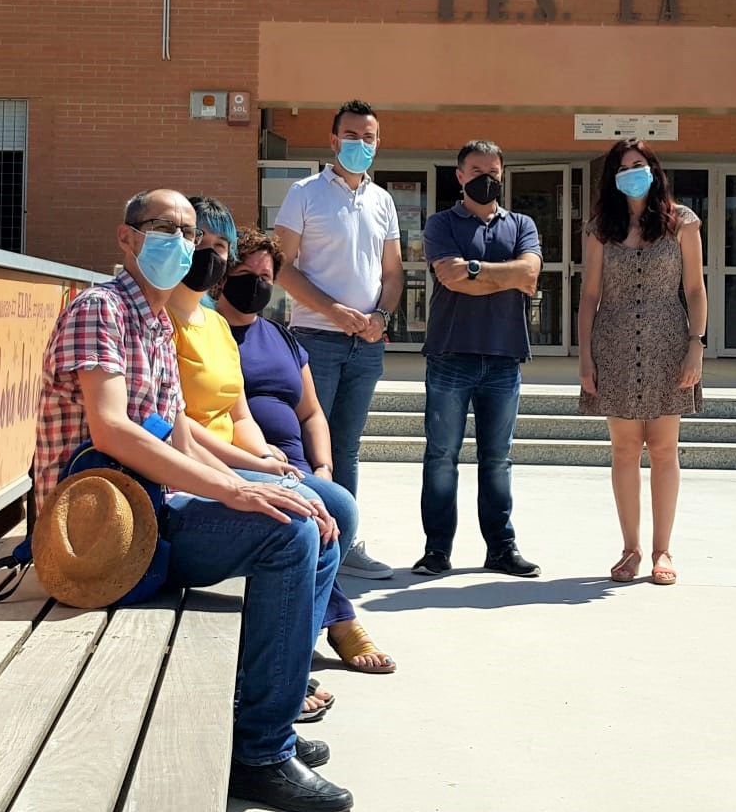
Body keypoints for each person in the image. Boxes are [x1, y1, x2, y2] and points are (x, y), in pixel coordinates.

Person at [35, 189, 353, 812]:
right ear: (126, 238)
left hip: (151, 511)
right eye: (166, 228)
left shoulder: (156, 320)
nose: (182, 244)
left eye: (190, 233)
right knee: (288, 534)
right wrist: (235, 489)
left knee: (309, 514)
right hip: (100, 533)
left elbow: (177, 432)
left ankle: (262, 716)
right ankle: (260, 752)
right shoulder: (101, 310)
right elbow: (112, 430)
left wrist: (266, 484)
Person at [217, 225, 398, 676]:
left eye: (266, 276)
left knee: (335, 505)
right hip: (246, 464)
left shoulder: (283, 337)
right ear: (223, 277)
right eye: (246, 274)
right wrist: (262, 459)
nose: (257, 284)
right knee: (322, 518)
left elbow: (313, 413)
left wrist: (323, 466)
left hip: (299, 468)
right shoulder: (210, 333)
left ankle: (298, 641)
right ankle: (335, 623)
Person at [274, 98, 403, 580]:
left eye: (368, 137)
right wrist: (332, 310)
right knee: (309, 443)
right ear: (333, 140)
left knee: (346, 447)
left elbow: (393, 273)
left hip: (365, 345)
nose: (359, 144)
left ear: (378, 143)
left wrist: (381, 316)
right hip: (316, 340)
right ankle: (303, 537)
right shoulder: (304, 193)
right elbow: (281, 266)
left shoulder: (383, 200)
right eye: (351, 136)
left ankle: (343, 542)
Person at [577, 139, 706, 586]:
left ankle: (662, 550)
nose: (633, 172)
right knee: (625, 449)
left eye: (639, 164)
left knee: (665, 448)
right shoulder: (601, 229)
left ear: (654, 169)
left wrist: (696, 344)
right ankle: (630, 549)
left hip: (669, 344)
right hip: (613, 345)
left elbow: (695, 289)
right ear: (612, 177)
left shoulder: (682, 222)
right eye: (623, 167)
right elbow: (589, 296)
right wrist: (585, 357)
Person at [414, 141, 543, 579]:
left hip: (505, 357)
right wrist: (503, 275)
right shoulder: (441, 223)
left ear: (502, 176)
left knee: (497, 460)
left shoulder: (522, 224)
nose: (485, 179)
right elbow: (449, 277)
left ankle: (501, 550)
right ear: (460, 176)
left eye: (493, 173)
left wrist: (473, 270)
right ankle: (436, 551)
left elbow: (530, 275)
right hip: (450, 355)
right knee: (441, 457)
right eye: (476, 172)